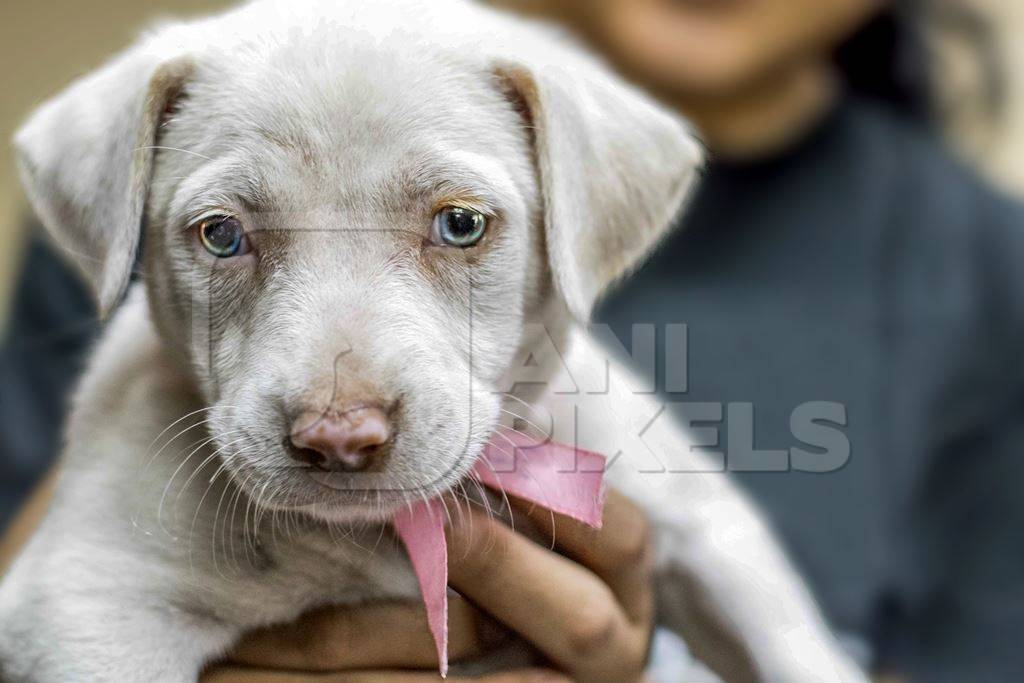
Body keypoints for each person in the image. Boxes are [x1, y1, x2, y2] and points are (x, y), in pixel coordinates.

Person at [2, 0, 1023, 680]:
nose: (337, 418)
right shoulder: (228, 92)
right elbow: (54, 617)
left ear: (582, 217)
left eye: (457, 225)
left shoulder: (981, 265)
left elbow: (702, 533)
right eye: (225, 234)